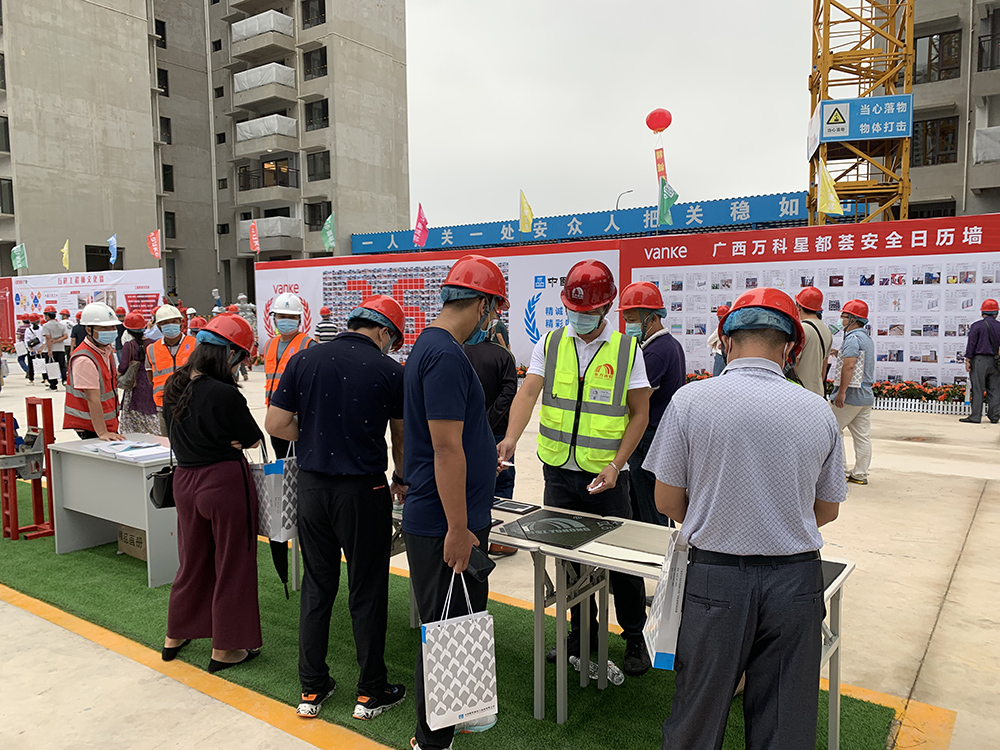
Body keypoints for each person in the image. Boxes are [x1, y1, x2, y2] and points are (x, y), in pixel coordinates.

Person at [643, 286, 846, 750]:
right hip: (796, 582)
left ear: (727, 340)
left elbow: (667, 501)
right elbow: (827, 509)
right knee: (785, 724)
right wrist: (778, 519)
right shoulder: (817, 411)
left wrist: (716, 513)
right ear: (790, 348)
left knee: (697, 716)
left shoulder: (691, 401)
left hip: (715, 580)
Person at [499, 259, 652, 678]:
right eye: (573, 308)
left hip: (607, 478)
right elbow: (528, 393)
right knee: (567, 560)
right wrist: (511, 438)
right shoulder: (550, 342)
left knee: (621, 561)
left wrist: (617, 464)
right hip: (558, 473)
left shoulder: (627, 350)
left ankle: (635, 636)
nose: (579, 316)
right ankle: (580, 633)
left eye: (587, 310)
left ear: (606, 308)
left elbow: (640, 413)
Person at [265, 295, 408, 722]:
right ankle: (371, 691)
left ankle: (311, 687)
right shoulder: (390, 371)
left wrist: (313, 437)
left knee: (317, 584)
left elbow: (275, 424)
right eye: (392, 340)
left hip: (311, 489)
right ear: (382, 332)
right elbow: (400, 438)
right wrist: (401, 479)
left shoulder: (304, 359)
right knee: (367, 589)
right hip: (363, 491)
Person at [403, 255, 508, 749]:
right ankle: (432, 739)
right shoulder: (445, 355)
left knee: (453, 623)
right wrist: (459, 528)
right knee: (445, 632)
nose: (493, 319)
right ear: (483, 305)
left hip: (445, 513)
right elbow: (446, 449)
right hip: (444, 520)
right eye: (494, 309)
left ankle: (448, 722)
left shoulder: (435, 346)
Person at [161, 315, 264, 674]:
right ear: (230, 354)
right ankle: (226, 648)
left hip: (184, 481)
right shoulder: (224, 392)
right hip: (223, 482)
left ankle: (175, 634)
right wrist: (232, 439)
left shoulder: (174, 384)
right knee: (233, 564)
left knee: (191, 560)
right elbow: (252, 438)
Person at [619, 282, 685, 527]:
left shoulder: (656, 352)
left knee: (649, 507)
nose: (628, 326)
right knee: (648, 503)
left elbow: (636, 401)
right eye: (626, 319)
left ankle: (657, 548)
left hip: (648, 438)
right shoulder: (670, 345)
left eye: (632, 320)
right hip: (659, 434)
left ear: (653, 318)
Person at [463, 330, 518, 557]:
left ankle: (469, 536)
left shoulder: (458, 351)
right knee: (502, 484)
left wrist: (474, 424)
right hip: (499, 433)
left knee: (467, 482)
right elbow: (509, 393)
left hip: (463, 432)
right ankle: (499, 540)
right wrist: (488, 421)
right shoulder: (503, 355)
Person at [262, 292, 314, 459]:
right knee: (281, 461)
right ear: (274, 318)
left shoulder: (309, 345)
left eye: (291, 317)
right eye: (282, 316)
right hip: (274, 415)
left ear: (299, 319)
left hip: (297, 418)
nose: (286, 320)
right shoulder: (269, 344)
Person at [63, 303, 124, 441]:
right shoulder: (85, 359)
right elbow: (92, 398)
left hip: (106, 422)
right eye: (104, 328)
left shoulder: (106, 350)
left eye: (113, 327)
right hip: (91, 427)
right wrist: (102, 432)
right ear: (88, 329)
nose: (110, 331)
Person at [831, 299, 875, 485]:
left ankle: (839, 472)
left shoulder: (852, 339)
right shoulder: (866, 339)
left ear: (853, 319)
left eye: (844, 316)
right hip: (865, 395)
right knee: (862, 436)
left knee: (835, 430)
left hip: (850, 396)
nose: (841, 319)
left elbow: (849, 366)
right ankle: (860, 473)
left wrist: (841, 392)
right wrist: (838, 353)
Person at [148, 305, 197, 435]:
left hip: (191, 404)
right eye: (165, 323)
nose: (170, 325)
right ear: (159, 326)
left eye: (174, 321)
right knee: (167, 441)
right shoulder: (152, 349)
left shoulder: (195, 344)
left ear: (181, 322)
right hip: (164, 406)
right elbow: (150, 377)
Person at [117, 311, 159, 435]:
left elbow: (123, 366)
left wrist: (117, 375)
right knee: (151, 408)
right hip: (151, 380)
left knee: (133, 408)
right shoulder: (153, 344)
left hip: (134, 382)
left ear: (128, 331)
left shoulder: (129, 345)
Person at [960, 298, 1000, 424]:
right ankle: (994, 416)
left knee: (978, 388)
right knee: (995, 389)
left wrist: (968, 361)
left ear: (982, 312)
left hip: (979, 361)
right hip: (995, 361)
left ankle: (975, 416)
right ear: (996, 313)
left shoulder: (977, 326)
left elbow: (971, 345)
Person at [793, 287, 834, 398]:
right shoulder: (826, 330)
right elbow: (824, 366)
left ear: (799, 306)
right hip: (817, 392)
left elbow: (795, 362)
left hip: (800, 391)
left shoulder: (802, 329)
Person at [41, 306, 69, 390]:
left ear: (47, 316)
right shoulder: (60, 325)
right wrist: (57, 341)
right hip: (60, 349)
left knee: (51, 367)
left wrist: (49, 350)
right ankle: (64, 380)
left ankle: (53, 385)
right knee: (62, 366)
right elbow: (65, 336)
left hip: (51, 349)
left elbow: (48, 338)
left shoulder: (46, 326)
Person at [706, 305, 729, 377]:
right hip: (728, 356)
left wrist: (715, 344)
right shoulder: (732, 326)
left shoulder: (720, 327)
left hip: (720, 355)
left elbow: (709, 341)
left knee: (717, 378)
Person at [24, 313, 45, 385]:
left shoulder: (28, 330)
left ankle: (31, 380)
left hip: (33, 350)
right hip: (40, 350)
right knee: (42, 364)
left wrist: (30, 349)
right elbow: (44, 340)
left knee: (31, 365)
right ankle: (45, 379)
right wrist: (41, 349)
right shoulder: (42, 329)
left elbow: (26, 340)